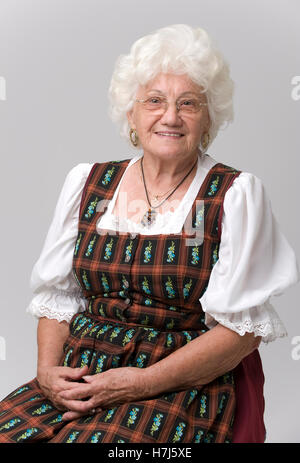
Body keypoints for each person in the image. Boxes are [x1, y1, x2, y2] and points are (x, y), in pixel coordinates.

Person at [0, 24, 298, 444]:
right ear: (132, 114)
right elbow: (57, 299)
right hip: (82, 369)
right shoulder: (89, 182)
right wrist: (49, 374)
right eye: (154, 101)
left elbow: (239, 334)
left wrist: (139, 383)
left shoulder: (234, 194)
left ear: (209, 117)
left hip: (177, 381)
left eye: (189, 103)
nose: (171, 116)